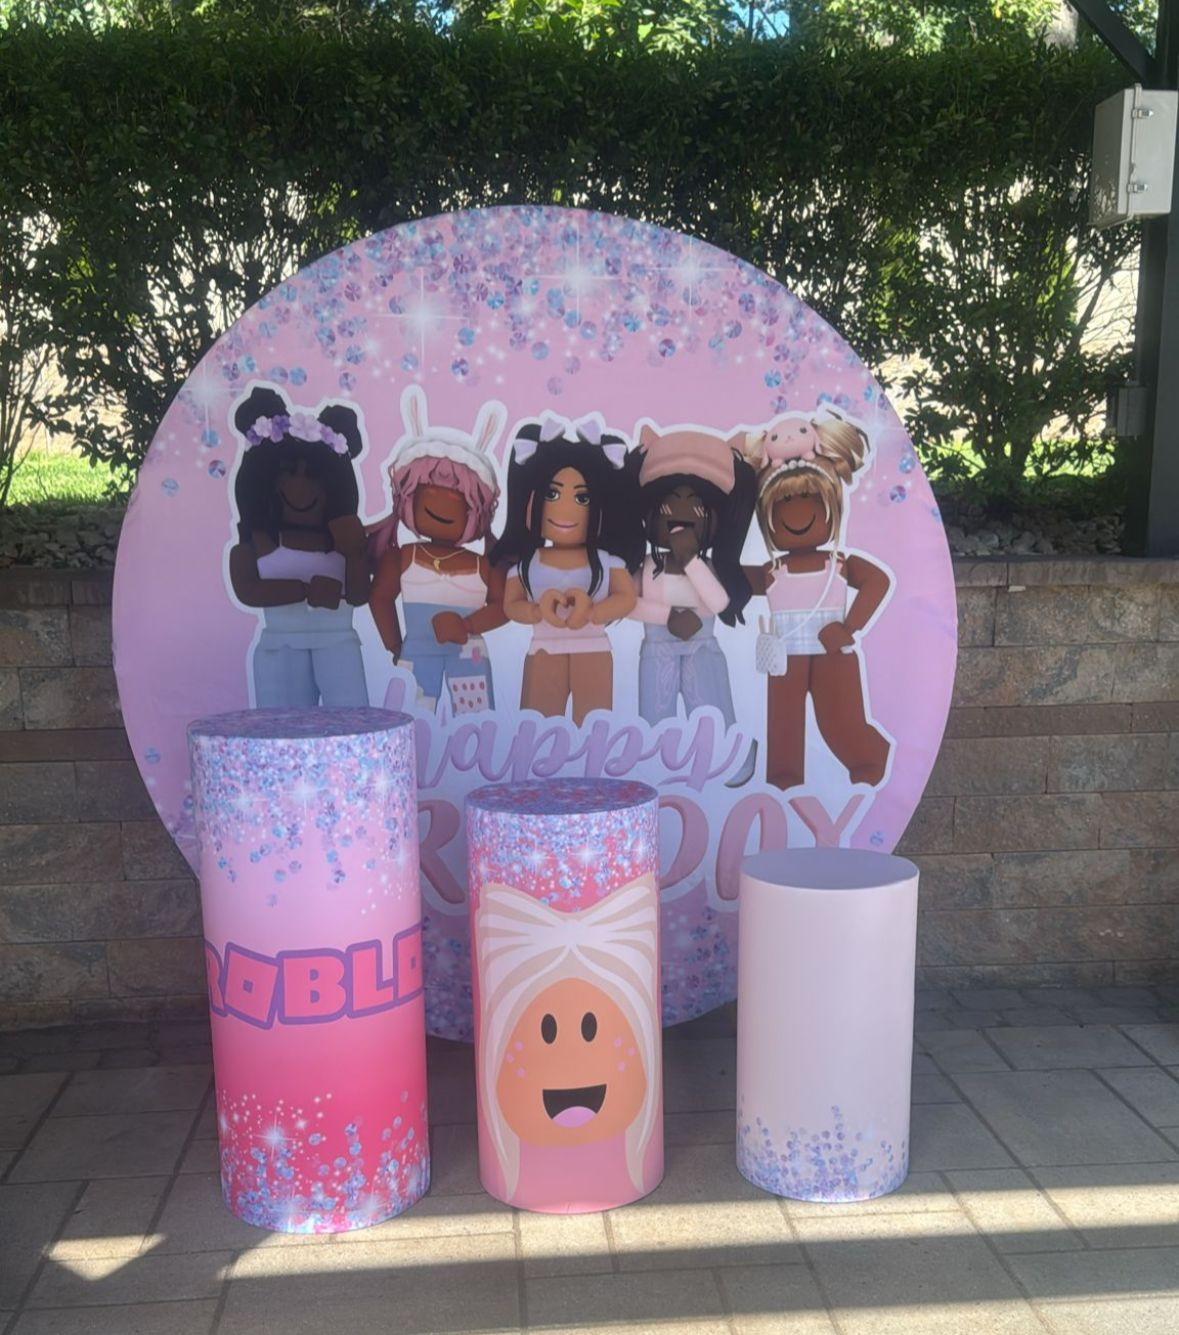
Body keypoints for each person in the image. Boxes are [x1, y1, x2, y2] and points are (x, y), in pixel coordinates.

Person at [744, 413, 892, 790]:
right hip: (785, 657)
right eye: (784, 502)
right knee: (783, 724)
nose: (797, 511)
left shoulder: (839, 563)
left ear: (831, 506)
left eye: (810, 498)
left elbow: (877, 581)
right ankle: (783, 780)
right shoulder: (773, 570)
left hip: (832, 653)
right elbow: (738, 581)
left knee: (840, 719)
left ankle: (869, 757)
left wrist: (849, 627)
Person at [490, 414, 643, 725]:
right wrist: (535, 611)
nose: (565, 509)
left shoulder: (607, 562)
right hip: (543, 651)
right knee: (537, 723)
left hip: (594, 652)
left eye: (583, 497)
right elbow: (511, 605)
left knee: (595, 724)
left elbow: (626, 598)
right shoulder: (526, 565)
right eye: (552, 494)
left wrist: (594, 612)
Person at [228, 384, 370, 709]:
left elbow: (360, 595)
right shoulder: (257, 544)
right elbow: (247, 589)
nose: (300, 485)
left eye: (314, 475)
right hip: (281, 647)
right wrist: (304, 590)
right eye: (288, 474)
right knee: (281, 726)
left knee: (349, 725)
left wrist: (357, 555)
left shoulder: (342, 540)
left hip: (339, 645)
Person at [369, 386, 505, 714]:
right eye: (428, 495)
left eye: (460, 502)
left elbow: (504, 606)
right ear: (408, 499)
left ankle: (474, 747)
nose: (442, 505)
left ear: (477, 514)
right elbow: (380, 598)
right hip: (416, 651)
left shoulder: (482, 565)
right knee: (413, 715)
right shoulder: (402, 558)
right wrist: (394, 644)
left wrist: (468, 626)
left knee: (475, 718)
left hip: (469, 653)